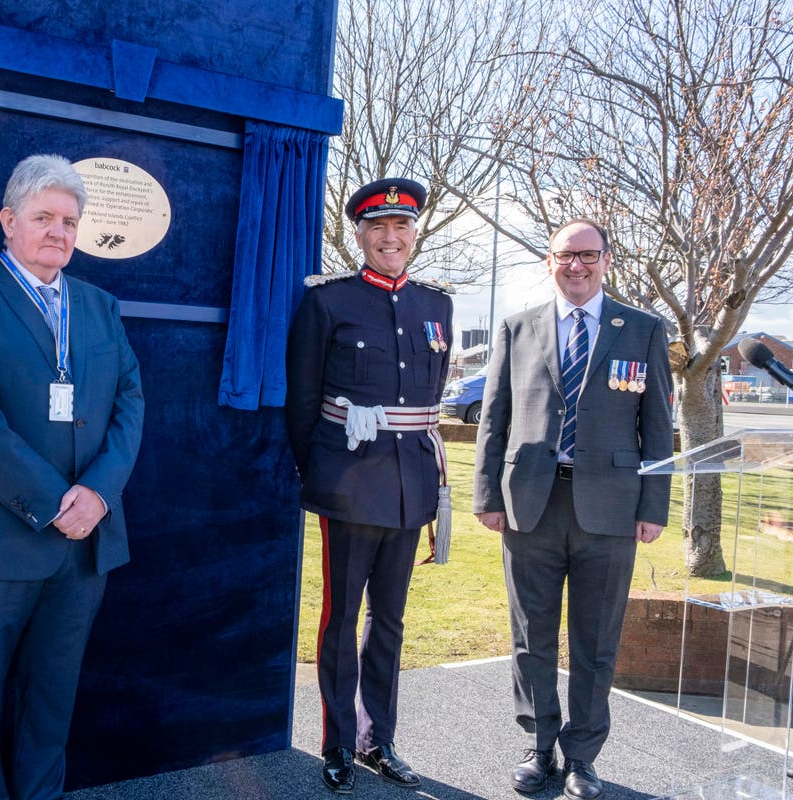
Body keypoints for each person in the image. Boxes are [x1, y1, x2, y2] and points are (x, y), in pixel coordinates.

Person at [0, 154, 145, 800]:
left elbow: (130, 402)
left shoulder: (99, 307)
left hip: (84, 545)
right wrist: (56, 500)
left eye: (69, 220)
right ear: (8, 220)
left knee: (50, 704)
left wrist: (99, 495)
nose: (59, 231)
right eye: (43, 217)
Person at [473, 219, 672, 800]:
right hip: (530, 505)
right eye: (566, 256)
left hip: (610, 511)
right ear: (548, 260)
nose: (577, 266)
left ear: (607, 259)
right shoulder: (518, 327)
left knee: (596, 641)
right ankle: (539, 748)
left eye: (588, 255)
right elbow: (494, 418)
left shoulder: (643, 329)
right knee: (531, 636)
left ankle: (582, 757)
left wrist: (653, 506)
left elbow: (658, 428)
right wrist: (488, 496)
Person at [285, 177, 453, 794]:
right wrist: (319, 475)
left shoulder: (437, 305)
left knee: (391, 622)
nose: (390, 237)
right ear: (360, 234)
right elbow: (302, 402)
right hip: (350, 486)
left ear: (414, 234)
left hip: (411, 485)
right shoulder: (329, 302)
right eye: (378, 228)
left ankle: (378, 738)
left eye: (401, 227)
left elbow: (429, 404)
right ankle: (335, 745)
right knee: (341, 619)